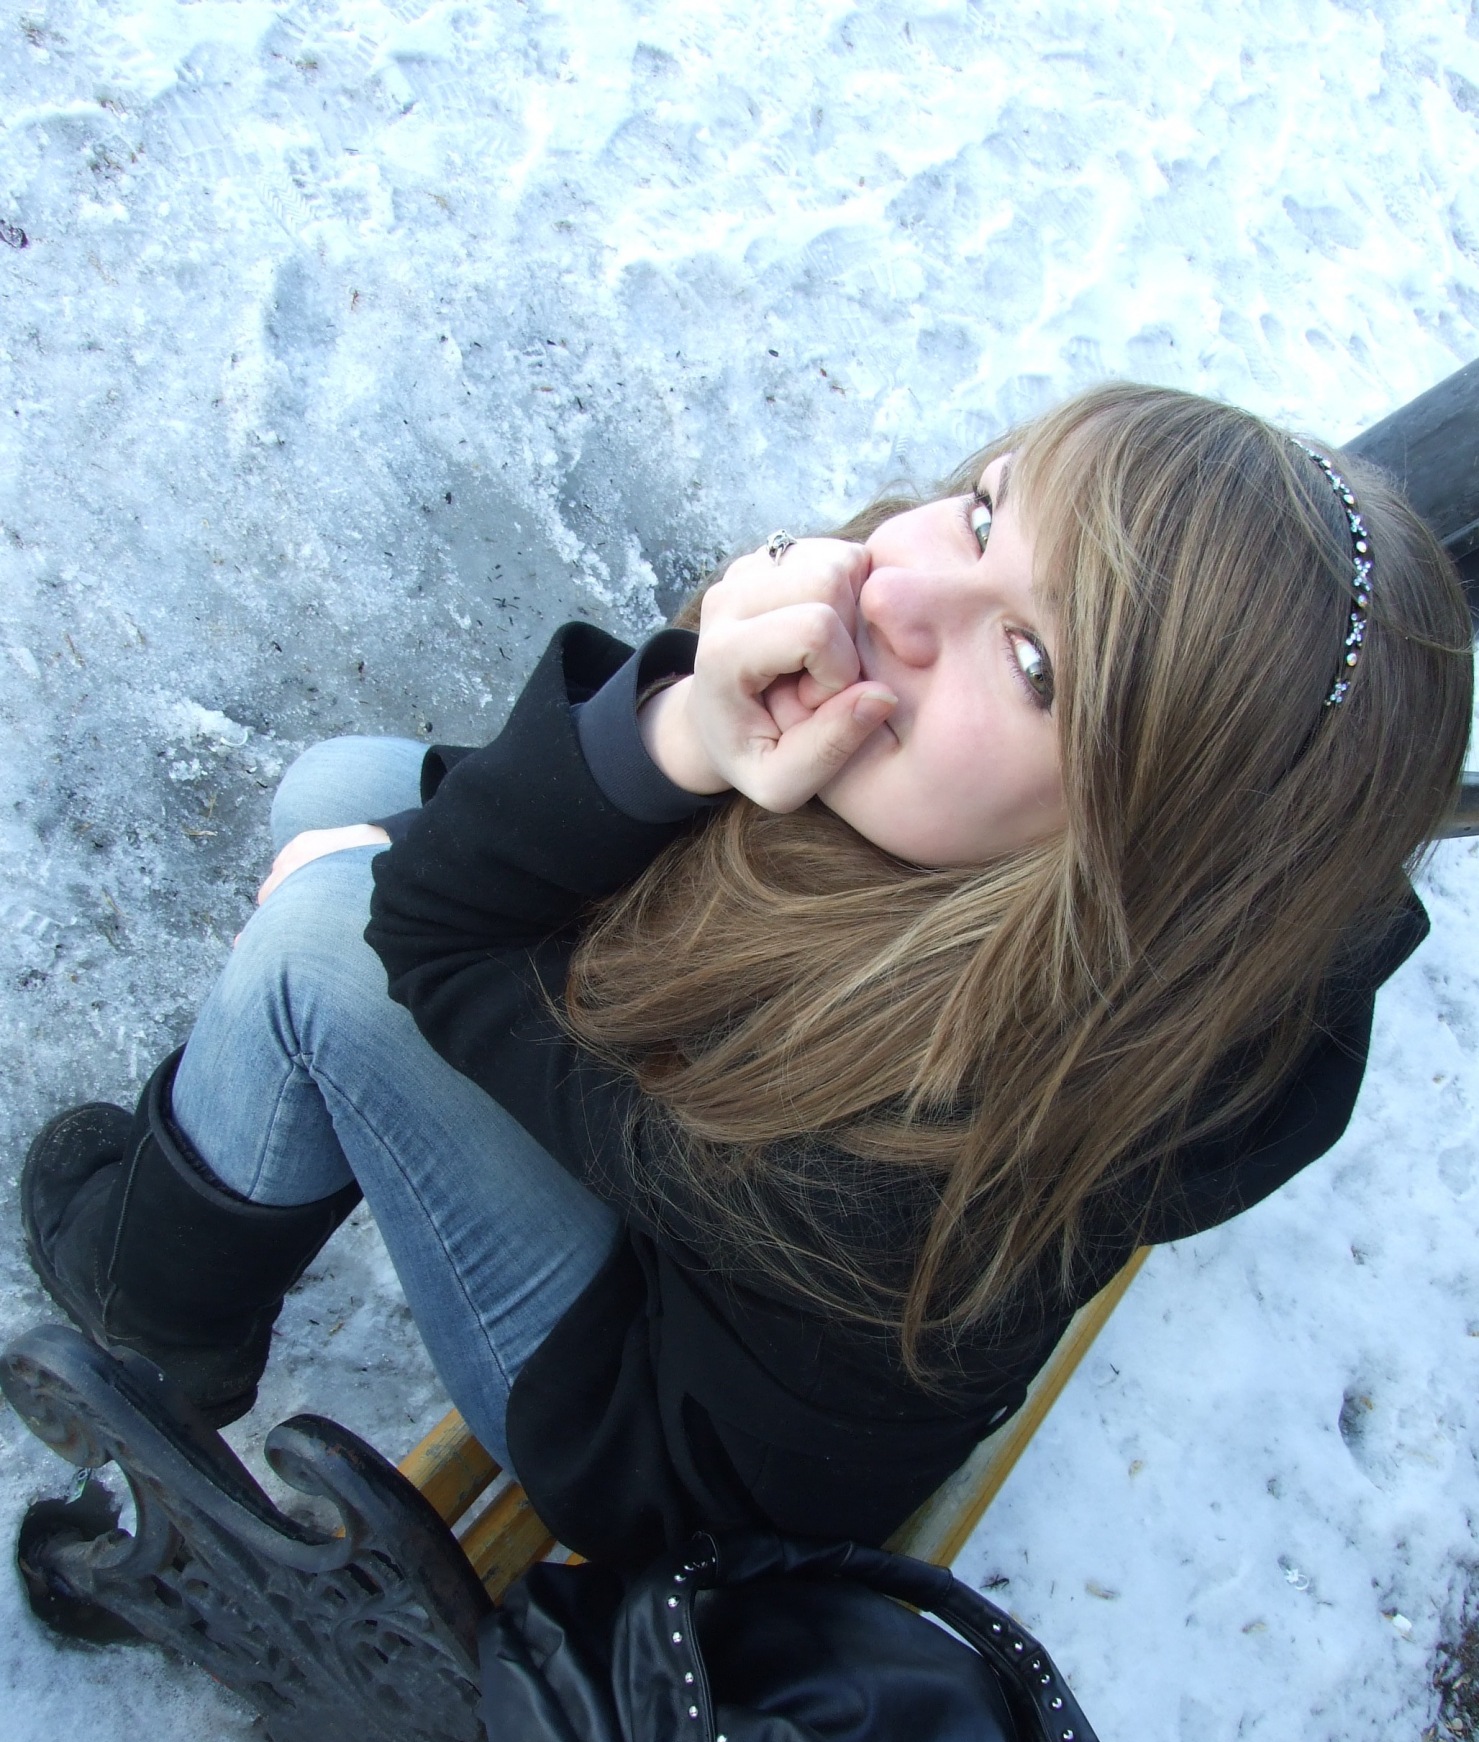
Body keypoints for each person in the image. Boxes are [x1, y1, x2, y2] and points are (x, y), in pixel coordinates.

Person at [20, 383, 1473, 1567]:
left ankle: (156, 1311)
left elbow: (430, 937)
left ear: (1144, 857)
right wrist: (691, 720)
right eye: (983, 512)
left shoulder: (908, 1143)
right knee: (341, 787)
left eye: (1032, 662)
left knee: (320, 938)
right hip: (708, 1193)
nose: (905, 589)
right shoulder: (1083, 895)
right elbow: (590, 885)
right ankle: (219, 1184)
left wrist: (671, 743)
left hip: (654, 1436)